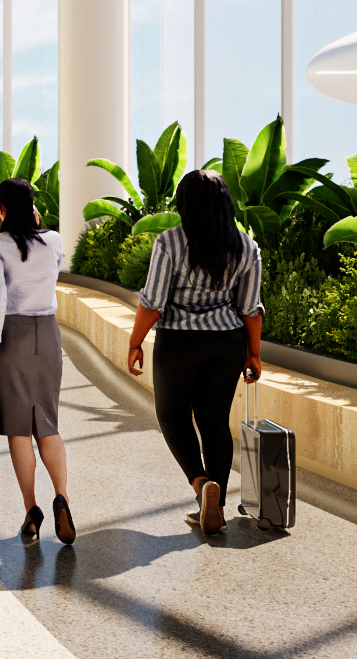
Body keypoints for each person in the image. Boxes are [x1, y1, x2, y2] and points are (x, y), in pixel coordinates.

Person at [127, 170, 265, 537]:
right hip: (227, 341)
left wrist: (135, 342)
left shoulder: (169, 242)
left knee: (172, 417)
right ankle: (215, 510)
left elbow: (153, 303)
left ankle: (202, 485)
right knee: (215, 422)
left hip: (179, 341)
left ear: (184, 205)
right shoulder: (247, 247)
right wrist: (253, 354)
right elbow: (250, 308)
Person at [0, 177, 73, 544]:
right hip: (48, 333)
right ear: (33, 206)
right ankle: (62, 498)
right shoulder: (54, 240)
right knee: (47, 423)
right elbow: (54, 271)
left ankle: (32, 510)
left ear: (0, 209)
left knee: (19, 428)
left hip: (14, 336)